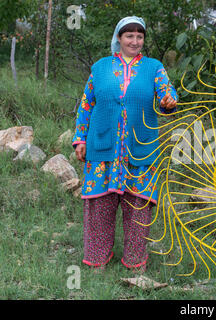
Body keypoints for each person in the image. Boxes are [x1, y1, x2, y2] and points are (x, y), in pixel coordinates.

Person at [72, 16, 177, 272]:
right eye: (129, 36)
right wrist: (80, 139)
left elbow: (167, 94)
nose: (135, 41)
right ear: (118, 38)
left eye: (139, 36)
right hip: (102, 146)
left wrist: (168, 101)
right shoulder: (100, 67)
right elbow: (87, 104)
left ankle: (135, 262)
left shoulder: (154, 68)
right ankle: (97, 260)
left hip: (141, 147)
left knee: (139, 206)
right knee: (99, 206)